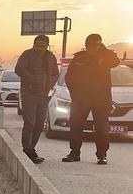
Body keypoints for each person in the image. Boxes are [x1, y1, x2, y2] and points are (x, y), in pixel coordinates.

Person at [62, 33, 120, 165]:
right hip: (81, 99)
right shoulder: (79, 58)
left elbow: (116, 61)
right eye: (91, 44)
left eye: (97, 44)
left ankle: (102, 155)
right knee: (76, 126)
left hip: (101, 99)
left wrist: (103, 49)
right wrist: (75, 94)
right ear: (86, 45)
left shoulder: (106, 57)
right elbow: (69, 77)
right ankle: (74, 153)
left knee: (102, 129)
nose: (94, 47)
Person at [15, 35, 59, 164]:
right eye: (37, 46)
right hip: (29, 93)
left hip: (44, 95)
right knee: (30, 123)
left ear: (47, 46)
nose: (40, 48)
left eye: (43, 46)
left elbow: (56, 74)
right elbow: (19, 69)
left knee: (40, 125)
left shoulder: (50, 57)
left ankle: (31, 148)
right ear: (34, 45)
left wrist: (50, 83)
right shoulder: (27, 55)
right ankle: (27, 150)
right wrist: (32, 80)